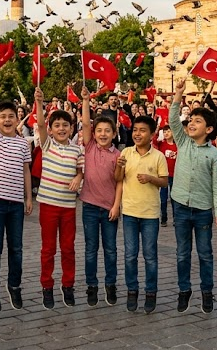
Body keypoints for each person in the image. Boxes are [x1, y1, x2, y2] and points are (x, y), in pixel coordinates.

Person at [167, 78, 217, 314]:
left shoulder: (214, 154)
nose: (191, 123)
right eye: (191, 120)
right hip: (180, 206)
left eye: (197, 121)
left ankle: (207, 292)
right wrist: (178, 95)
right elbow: (172, 120)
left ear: (208, 130)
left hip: (202, 210)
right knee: (182, 253)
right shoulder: (183, 143)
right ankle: (184, 290)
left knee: (205, 254)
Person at [0, 77, 33, 314]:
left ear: (16, 119)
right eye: (3, 116)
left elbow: (26, 171)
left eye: (11, 116)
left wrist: (28, 198)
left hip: (15, 204)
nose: (8, 119)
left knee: (17, 248)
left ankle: (15, 286)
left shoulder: (23, 144)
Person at [32, 87, 84, 310]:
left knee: (68, 247)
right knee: (48, 249)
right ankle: (47, 286)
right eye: (57, 126)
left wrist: (78, 177)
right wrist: (40, 103)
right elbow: (41, 125)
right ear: (51, 130)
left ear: (72, 128)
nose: (61, 129)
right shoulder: (47, 144)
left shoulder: (76, 150)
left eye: (65, 125)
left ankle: (68, 285)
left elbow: (81, 171)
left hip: (68, 206)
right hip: (48, 205)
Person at [115, 115, 166, 313]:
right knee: (130, 255)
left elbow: (164, 182)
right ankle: (131, 290)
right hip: (129, 211)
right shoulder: (126, 152)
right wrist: (119, 167)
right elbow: (118, 179)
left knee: (150, 256)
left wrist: (150, 178)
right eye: (135, 130)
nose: (137, 133)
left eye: (142, 130)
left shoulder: (158, 156)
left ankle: (151, 292)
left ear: (152, 134)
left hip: (150, 214)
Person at [79, 84, 121, 307]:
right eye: (99, 131)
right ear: (94, 134)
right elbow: (86, 122)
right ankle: (91, 285)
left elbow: (120, 182)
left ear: (114, 134)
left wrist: (116, 206)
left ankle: (111, 284)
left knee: (111, 250)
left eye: (107, 131)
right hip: (89, 207)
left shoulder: (118, 155)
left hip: (109, 209)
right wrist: (86, 101)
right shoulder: (90, 147)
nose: (103, 134)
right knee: (90, 249)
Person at [153, 125, 178, 226]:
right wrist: (157, 129)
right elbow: (153, 140)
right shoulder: (161, 144)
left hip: (175, 175)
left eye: (168, 131)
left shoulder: (178, 145)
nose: (166, 133)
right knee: (163, 199)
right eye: (164, 132)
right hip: (164, 175)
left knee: (174, 198)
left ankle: (176, 218)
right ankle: (164, 218)